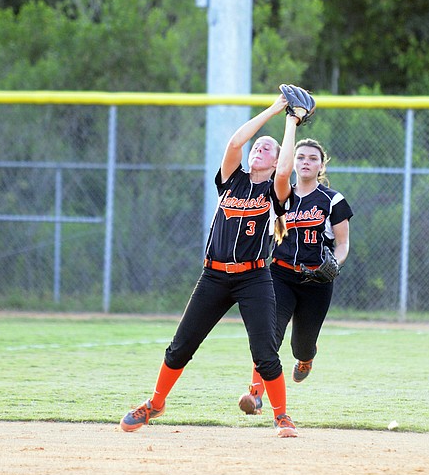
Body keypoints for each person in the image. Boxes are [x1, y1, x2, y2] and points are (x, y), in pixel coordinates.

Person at [120, 92, 301, 438]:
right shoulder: (232, 180)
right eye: (258, 147)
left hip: (254, 278)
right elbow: (235, 142)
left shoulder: (275, 191)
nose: (258, 149)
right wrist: (275, 109)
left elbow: (285, 169)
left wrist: (291, 124)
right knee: (181, 346)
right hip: (214, 275)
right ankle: (155, 404)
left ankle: (281, 416)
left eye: (267, 148)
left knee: (265, 352)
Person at [238, 136, 352, 416]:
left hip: (317, 281)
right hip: (280, 275)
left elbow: (342, 244)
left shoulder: (332, 199)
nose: (305, 162)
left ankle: (305, 359)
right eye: (300, 157)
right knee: (268, 335)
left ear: (321, 165)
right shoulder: (280, 195)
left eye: (313, 158)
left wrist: (335, 264)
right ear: (291, 162)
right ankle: (255, 395)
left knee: (302, 343)